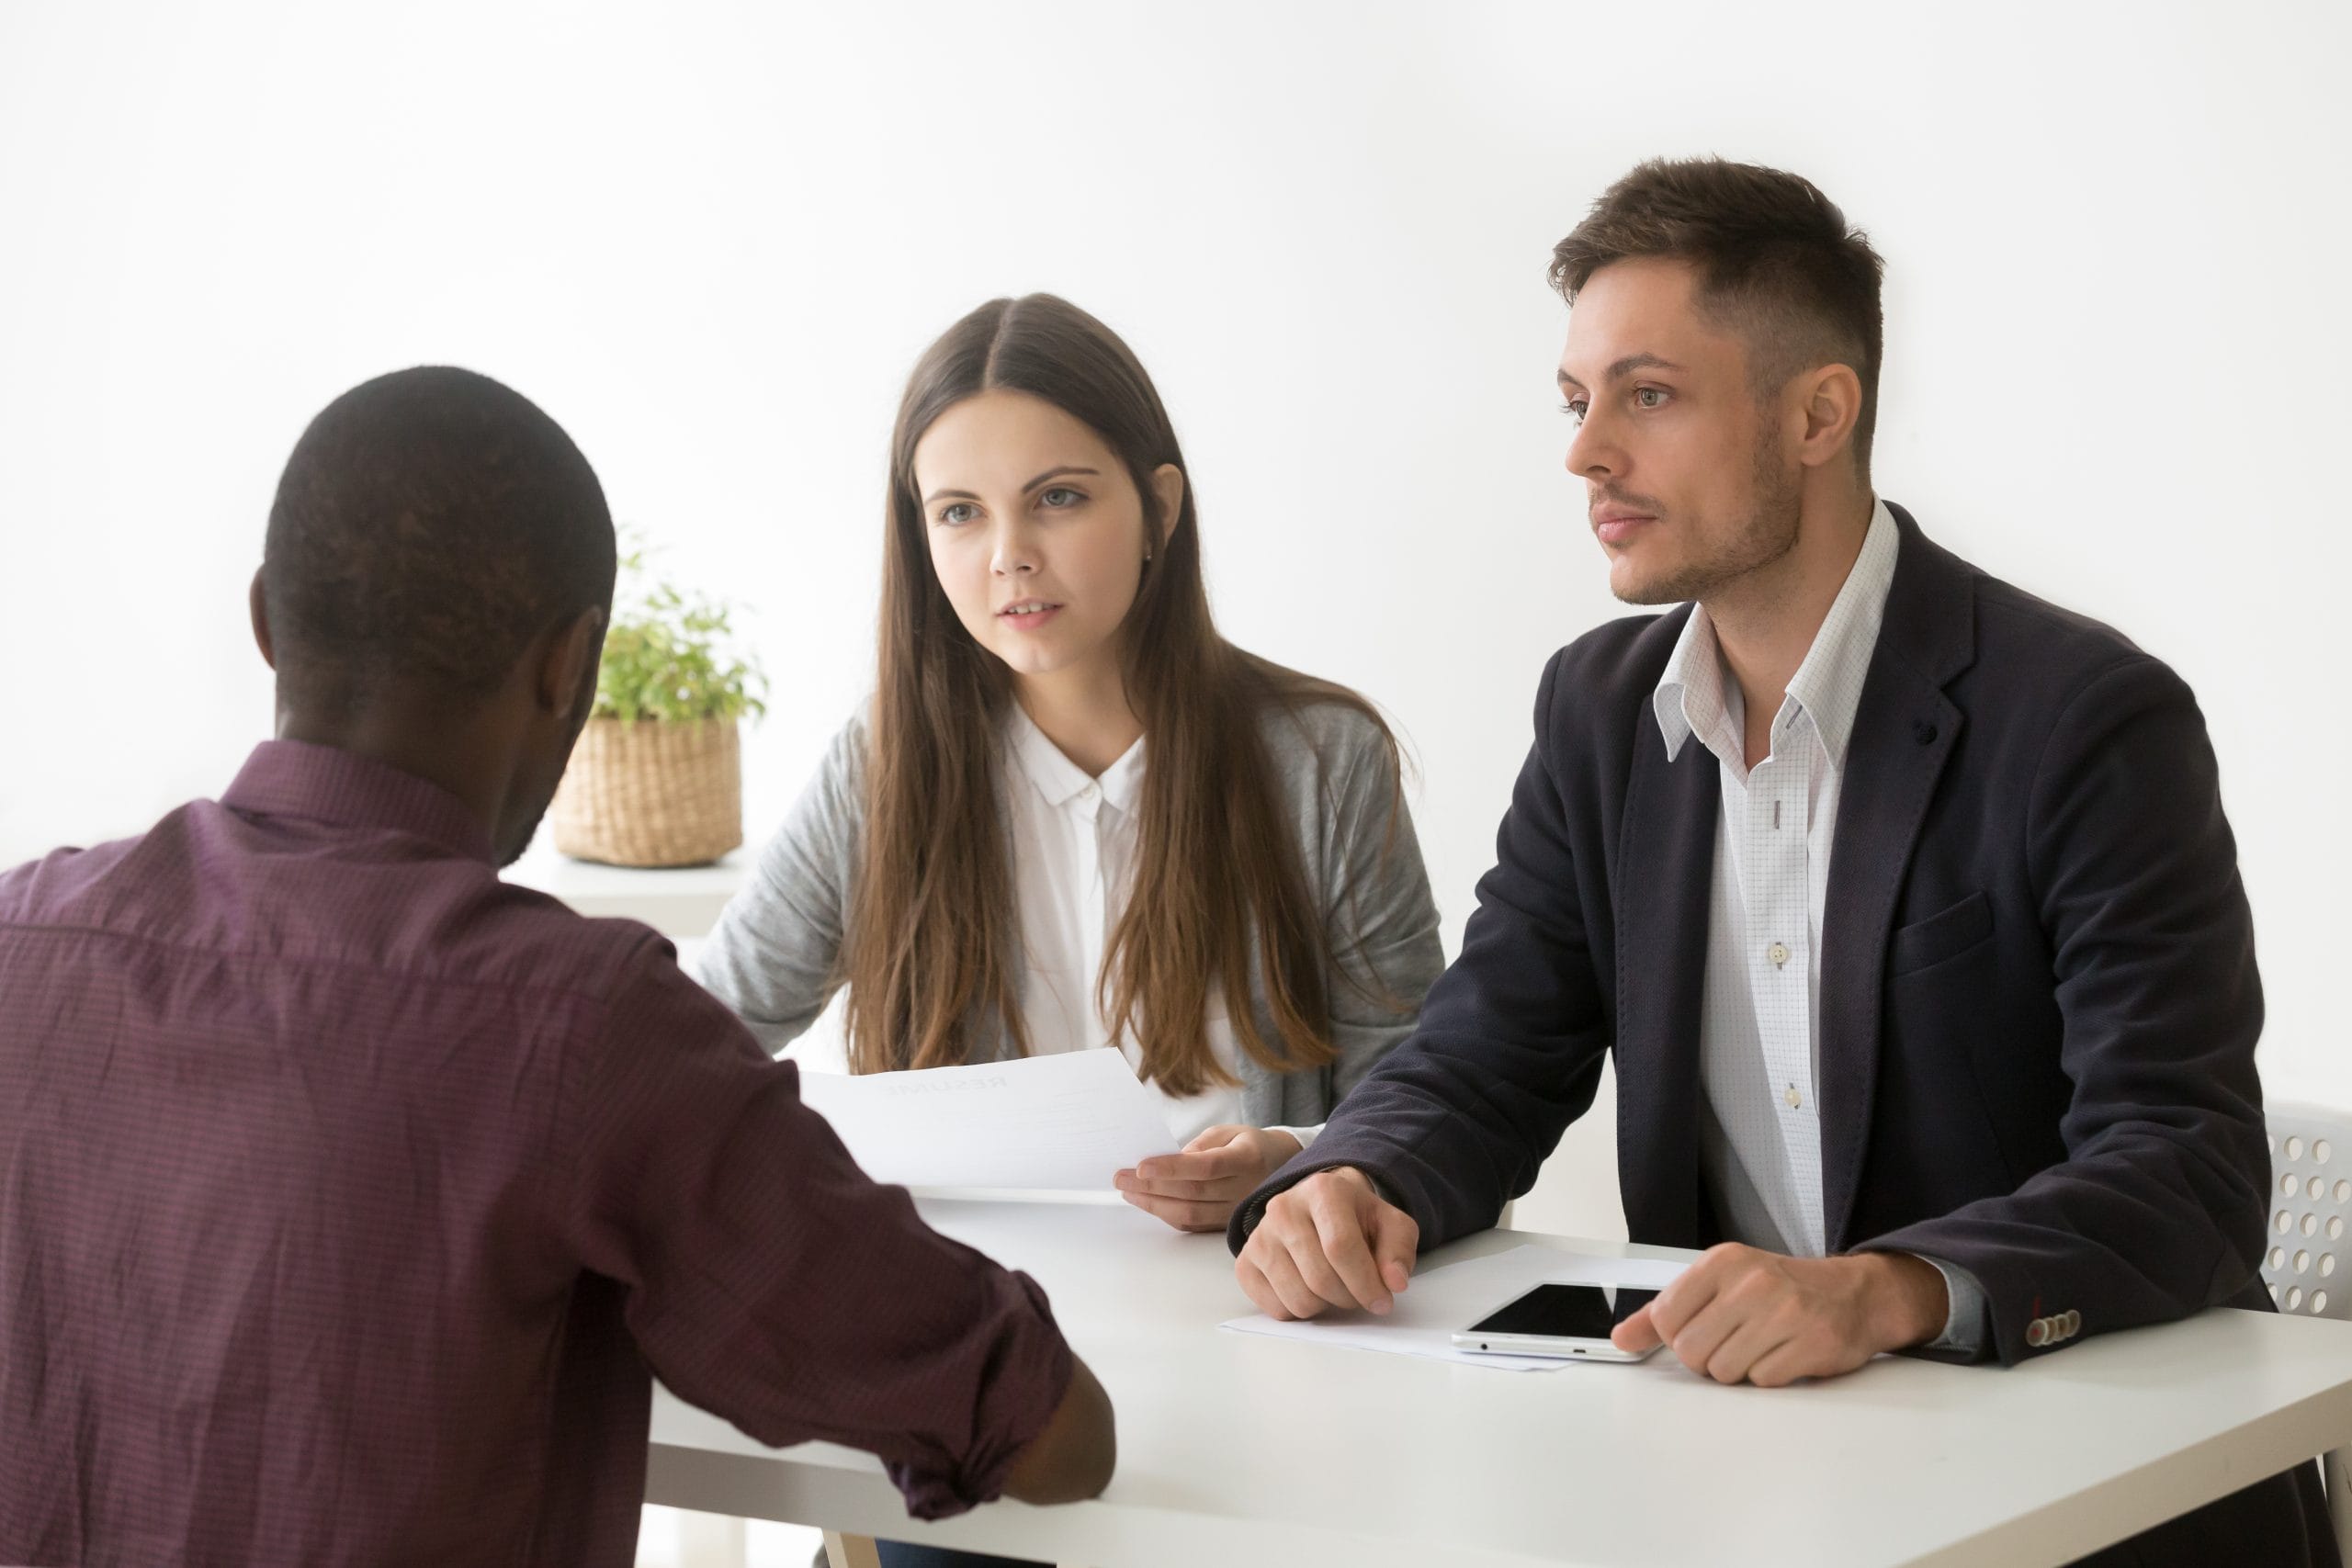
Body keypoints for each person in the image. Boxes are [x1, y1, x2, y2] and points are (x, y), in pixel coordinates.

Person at [1226, 159, 2335, 1566]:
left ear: (1819, 413)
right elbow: (1483, 1060)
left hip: (2092, 1500)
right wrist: (1352, 1179)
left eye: (1648, 395)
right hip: (1758, 1489)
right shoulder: (1599, 715)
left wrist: (1888, 1289)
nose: (1586, 455)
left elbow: (2186, 1162)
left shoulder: (2082, 719)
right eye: (1576, 402)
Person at [0, 367, 1113, 1568]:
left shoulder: (20, 937)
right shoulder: (585, 1026)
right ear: (570, 666)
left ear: (268, 623)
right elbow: (1052, 1433)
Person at [692, 296, 1442, 1568]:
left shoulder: (1319, 762)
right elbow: (693, 1043)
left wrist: (1291, 1161)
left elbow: (1430, 1103)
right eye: (959, 513)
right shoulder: (884, 769)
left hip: (1264, 1352)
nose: (1009, 558)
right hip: (984, 1363)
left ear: (1159, 507)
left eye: (1057, 499)